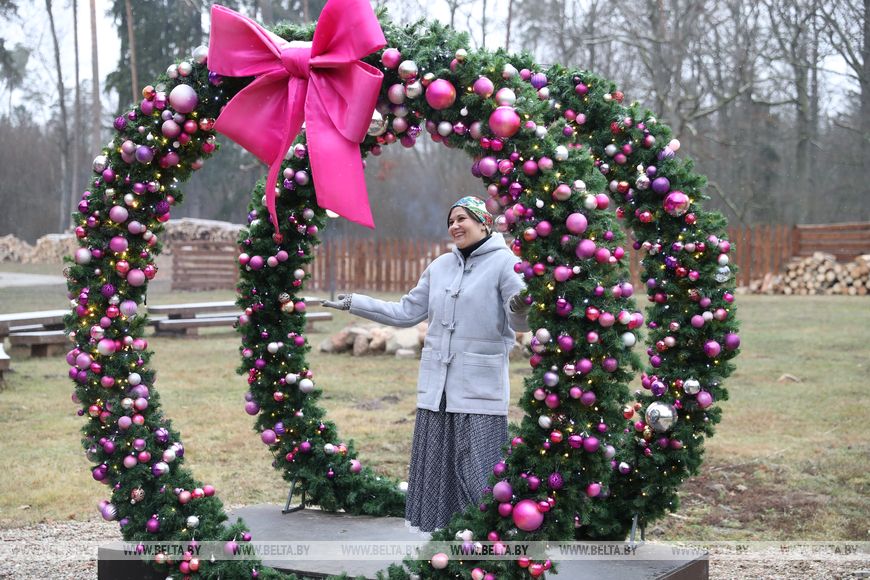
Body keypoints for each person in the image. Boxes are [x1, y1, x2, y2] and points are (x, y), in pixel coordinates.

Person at [323, 196, 531, 532]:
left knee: (480, 474)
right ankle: (447, 547)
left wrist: (522, 306)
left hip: (479, 389)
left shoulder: (507, 264)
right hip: (438, 391)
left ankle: (486, 544)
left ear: (483, 223)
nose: (454, 226)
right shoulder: (439, 267)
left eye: (461, 218)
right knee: (440, 476)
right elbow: (405, 312)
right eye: (450, 221)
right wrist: (354, 303)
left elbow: (518, 321)